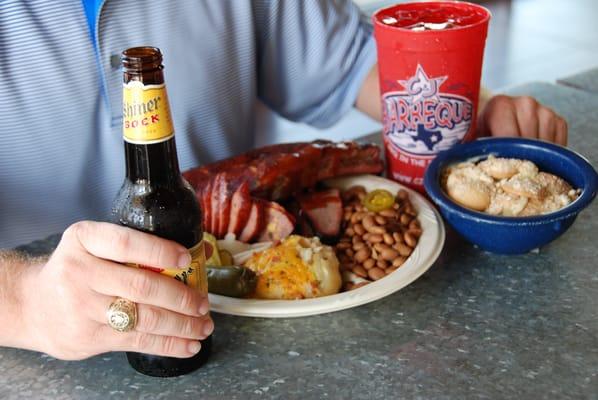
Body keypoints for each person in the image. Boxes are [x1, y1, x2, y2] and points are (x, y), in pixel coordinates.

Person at [0, 1, 567, 360]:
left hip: (243, 337)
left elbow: (356, 64)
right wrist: (26, 302)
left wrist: (478, 111)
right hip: (36, 357)